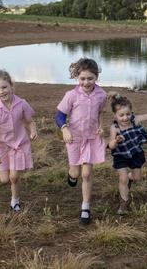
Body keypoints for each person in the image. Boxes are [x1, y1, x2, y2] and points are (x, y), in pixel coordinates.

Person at [55, 58, 107, 225]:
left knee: (86, 174)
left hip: (92, 138)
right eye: (83, 78)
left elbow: (100, 113)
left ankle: (85, 207)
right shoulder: (71, 95)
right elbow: (60, 115)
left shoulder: (102, 95)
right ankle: (71, 175)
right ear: (78, 77)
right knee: (76, 173)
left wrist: (101, 127)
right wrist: (64, 129)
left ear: (96, 77)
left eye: (90, 78)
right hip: (74, 138)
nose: (86, 82)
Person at [0, 69, 38, 213]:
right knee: (4, 180)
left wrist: (33, 130)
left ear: (11, 86)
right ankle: (12, 184)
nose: (1, 91)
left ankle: (15, 201)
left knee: (14, 177)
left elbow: (30, 121)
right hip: (1, 147)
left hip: (19, 145)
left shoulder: (22, 103)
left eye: (4, 87)